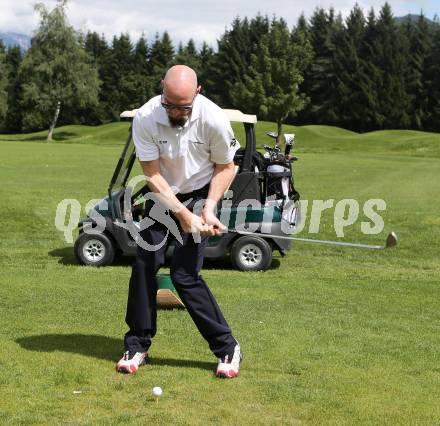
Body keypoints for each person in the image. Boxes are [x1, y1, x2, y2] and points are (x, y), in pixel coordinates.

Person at [116, 65, 243, 378]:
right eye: (169, 104)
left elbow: (227, 167)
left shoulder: (213, 118)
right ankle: (137, 344)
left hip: (200, 192)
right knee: (145, 265)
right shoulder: (146, 117)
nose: (175, 111)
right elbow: (152, 175)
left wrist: (208, 209)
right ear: (162, 88)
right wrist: (182, 214)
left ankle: (227, 347)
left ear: (197, 93)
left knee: (184, 274)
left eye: (183, 106)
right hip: (162, 196)